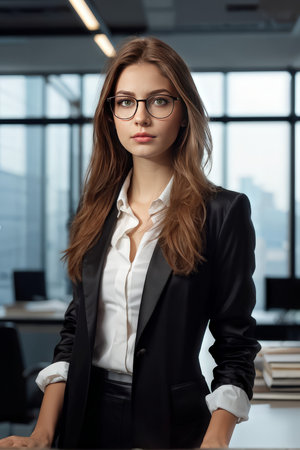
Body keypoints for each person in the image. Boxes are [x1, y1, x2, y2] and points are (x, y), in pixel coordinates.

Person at [0, 36, 261, 449]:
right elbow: (74, 333)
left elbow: (236, 345)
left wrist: (215, 442)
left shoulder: (222, 213)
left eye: (158, 101)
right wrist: (43, 434)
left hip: (173, 425)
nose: (141, 117)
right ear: (111, 116)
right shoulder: (95, 210)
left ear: (183, 113)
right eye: (125, 102)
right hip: (83, 418)